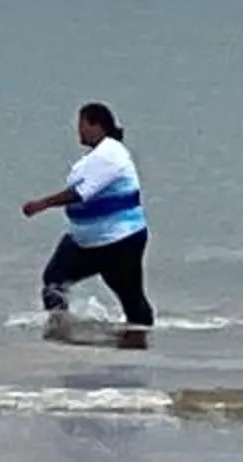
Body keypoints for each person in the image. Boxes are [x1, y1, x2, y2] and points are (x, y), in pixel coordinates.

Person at [22, 100, 152, 327]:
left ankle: (141, 342)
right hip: (84, 241)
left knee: (131, 297)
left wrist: (42, 203)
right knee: (54, 281)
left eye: (81, 125)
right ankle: (60, 328)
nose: (78, 131)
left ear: (97, 126)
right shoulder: (93, 157)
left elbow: (81, 193)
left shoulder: (110, 154)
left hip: (118, 241)